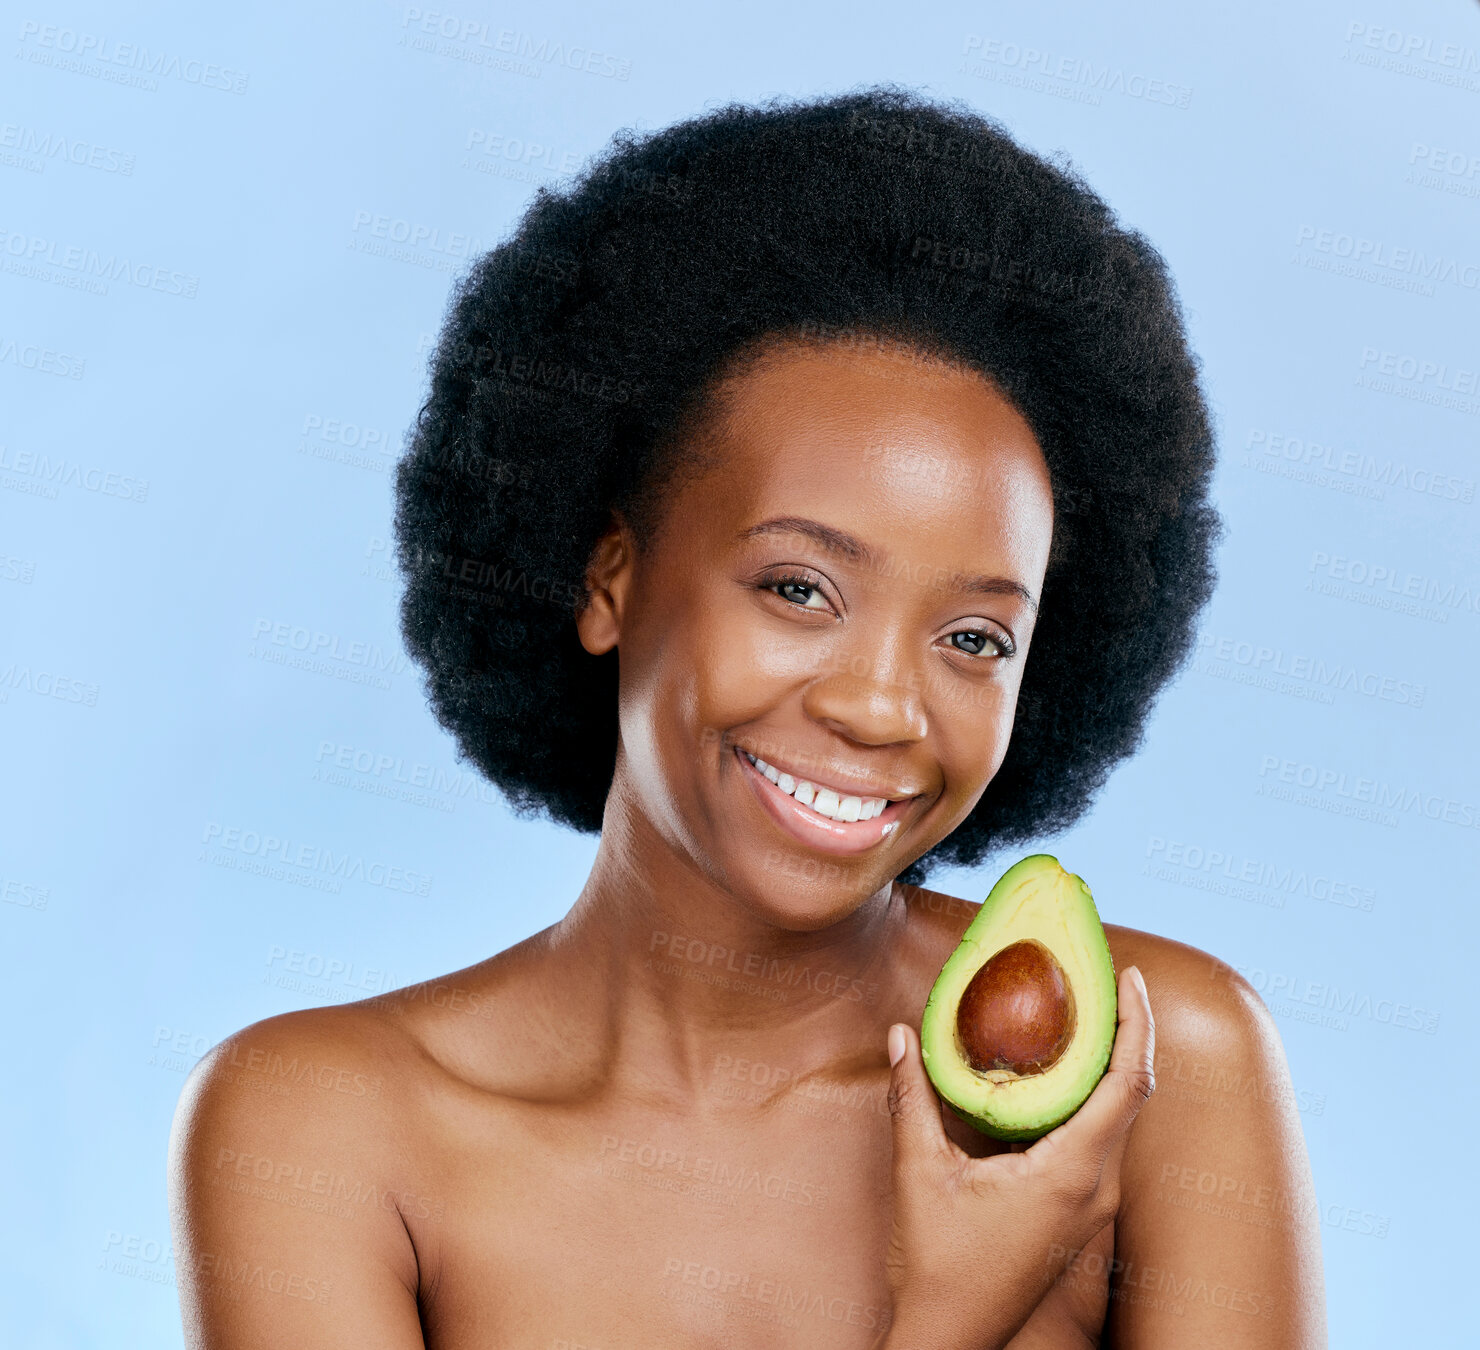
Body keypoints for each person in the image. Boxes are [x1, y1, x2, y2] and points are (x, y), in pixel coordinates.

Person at [168, 86, 1326, 1347]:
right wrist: (949, 1317)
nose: (881, 704)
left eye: (973, 638)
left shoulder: (1153, 1071)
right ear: (607, 576)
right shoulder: (326, 1131)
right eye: (797, 588)